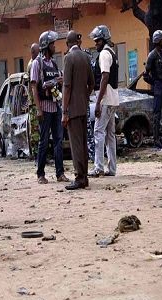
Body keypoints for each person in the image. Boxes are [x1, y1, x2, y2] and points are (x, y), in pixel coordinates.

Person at [30, 30, 68, 184]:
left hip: (55, 107)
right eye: (53, 44)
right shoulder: (37, 64)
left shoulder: (53, 63)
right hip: (44, 108)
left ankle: (60, 173)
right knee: (44, 141)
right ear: (46, 45)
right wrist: (38, 109)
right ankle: (40, 174)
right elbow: (34, 87)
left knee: (59, 140)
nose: (55, 46)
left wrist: (59, 80)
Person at [61, 30, 95, 190]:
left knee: (75, 145)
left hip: (73, 108)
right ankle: (85, 176)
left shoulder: (69, 58)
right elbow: (92, 83)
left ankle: (79, 177)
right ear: (78, 42)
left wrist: (64, 110)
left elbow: (66, 86)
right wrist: (85, 97)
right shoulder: (85, 57)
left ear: (68, 43)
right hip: (83, 106)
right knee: (83, 142)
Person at [89, 25, 119, 177]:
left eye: (97, 41)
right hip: (114, 99)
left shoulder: (104, 55)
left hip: (106, 99)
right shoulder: (112, 53)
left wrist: (98, 101)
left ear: (103, 39)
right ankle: (112, 168)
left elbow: (105, 77)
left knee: (98, 132)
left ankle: (98, 167)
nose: (96, 44)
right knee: (110, 135)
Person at [26, 42, 41, 157]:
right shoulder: (32, 65)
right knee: (35, 130)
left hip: (36, 101)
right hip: (34, 102)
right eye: (38, 51)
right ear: (33, 52)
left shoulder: (35, 63)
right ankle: (36, 153)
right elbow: (34, 85)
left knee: (39, 129)